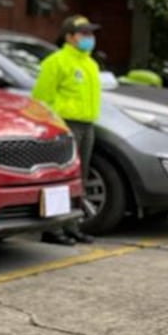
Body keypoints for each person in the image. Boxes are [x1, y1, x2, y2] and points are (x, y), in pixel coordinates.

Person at [32, 15, 102, 246]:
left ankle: (73, 226)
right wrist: (53, 126)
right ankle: (53, 229)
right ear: (69, 36)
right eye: (83, 33)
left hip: (87, 125)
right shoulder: (56, 62)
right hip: (65, 125)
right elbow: (42, 99)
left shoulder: (90, 64)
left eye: (90, 33)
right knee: (60, 178)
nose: (89, 38)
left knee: (78, 178)